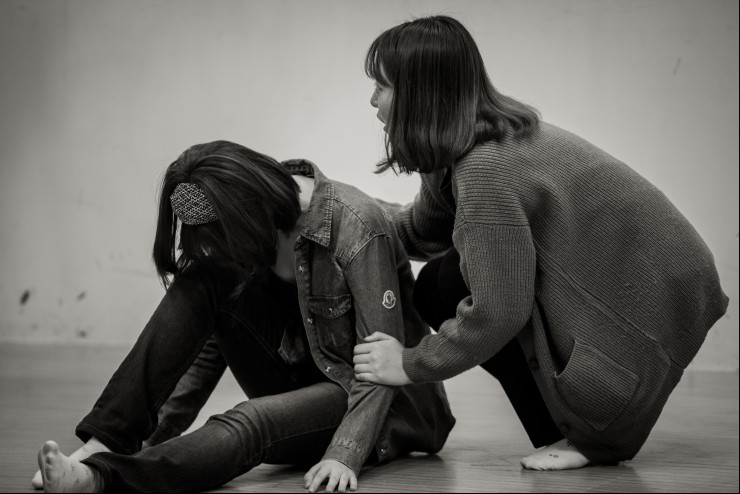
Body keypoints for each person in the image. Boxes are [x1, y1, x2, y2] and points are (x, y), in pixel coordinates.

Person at [352, 15, 729, 471]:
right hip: (651, 270)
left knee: (459, 290)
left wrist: (410, 364)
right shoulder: (465, 142)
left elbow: (499, 311)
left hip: (653, 286)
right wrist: (344, 211)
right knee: (440, 282)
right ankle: (566, 432)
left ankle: (588, 439)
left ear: (420, 95)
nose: (372, 99)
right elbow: (422, 231)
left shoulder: (485, 168)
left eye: (382, 86)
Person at [35, 140, 455, 492]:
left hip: (379, 408)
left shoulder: (356, 226)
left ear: (250, 214)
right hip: (307, 373)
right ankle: (105, 443)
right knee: (203, 279)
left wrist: (344, 453)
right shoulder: (254, 209)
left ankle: (103, 479)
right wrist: (150, 436)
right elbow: (207, 347)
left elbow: (380, 368)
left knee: (252, 420)